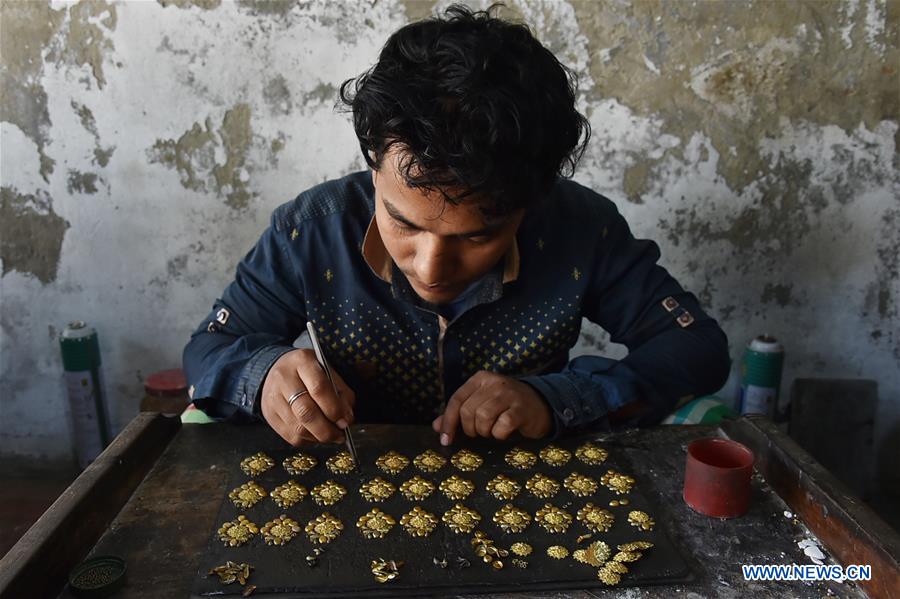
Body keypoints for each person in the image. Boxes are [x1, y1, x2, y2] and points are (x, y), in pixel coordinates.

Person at [182, 4, 730, 448]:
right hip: (358, 473)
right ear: (374, 162)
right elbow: (209, 349)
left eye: (476, 236)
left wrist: (553, 398)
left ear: (531, 202)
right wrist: (266, 375)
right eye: (403, 223)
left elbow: (697, 349)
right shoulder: (310, 231)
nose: (430, 267)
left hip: (524, 476)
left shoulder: (580, 229)